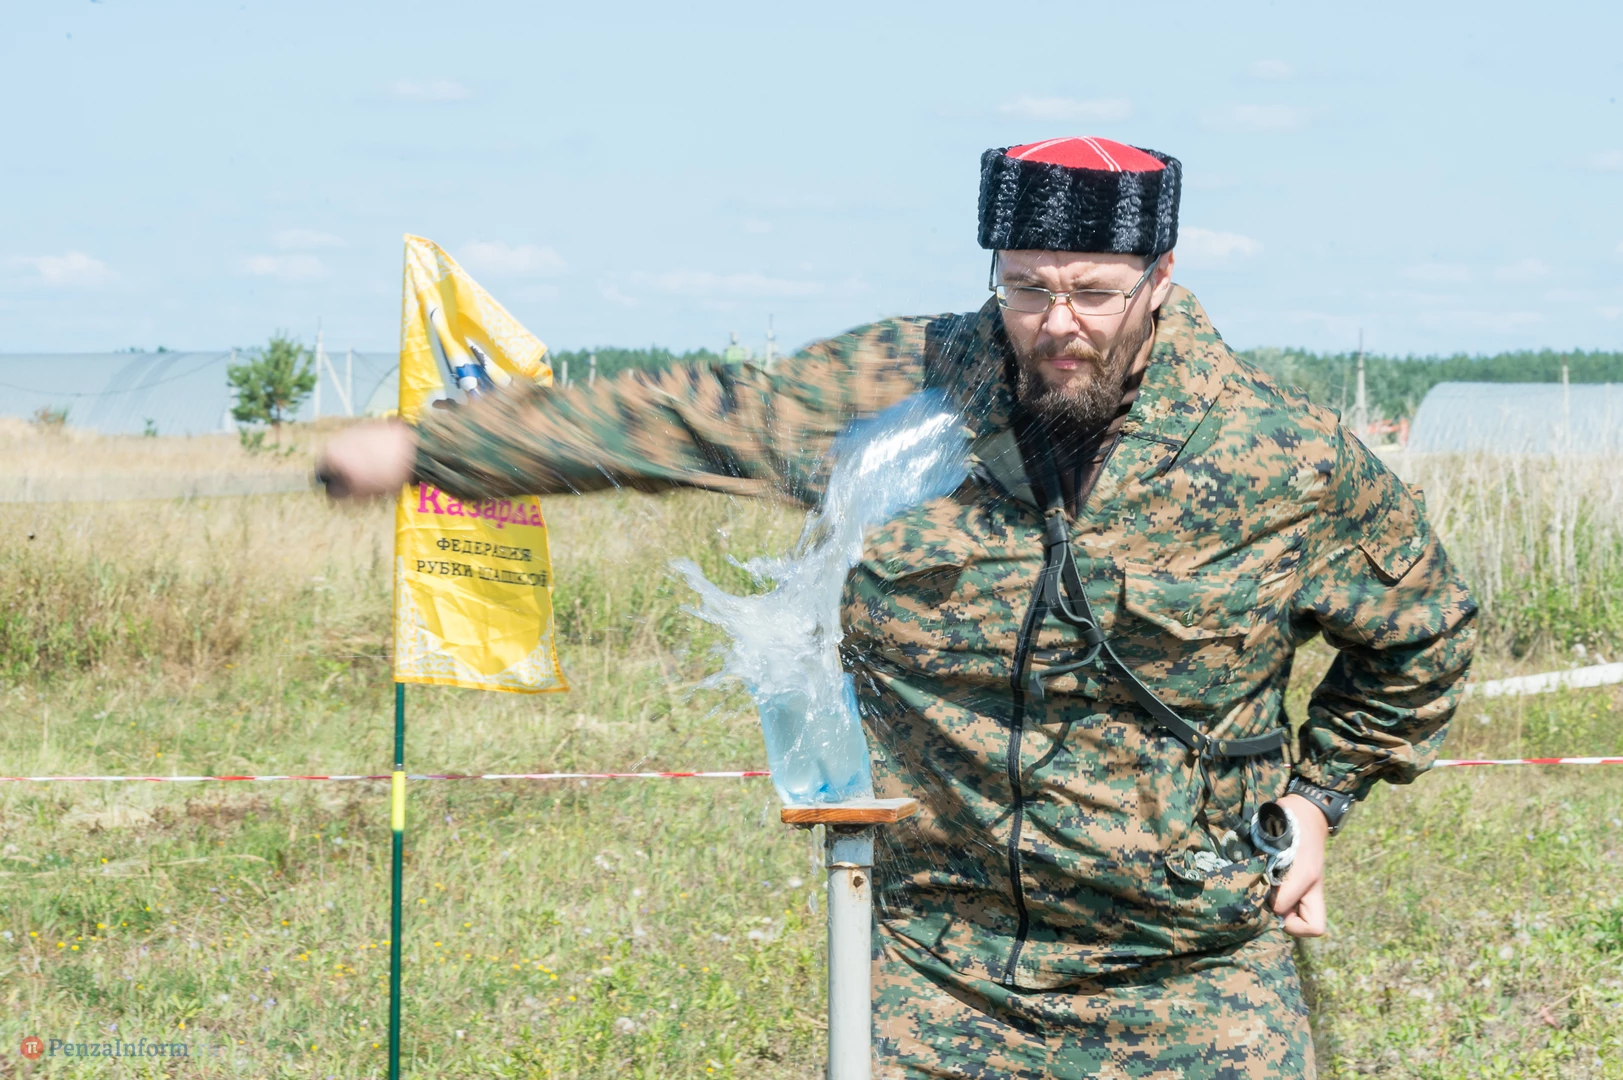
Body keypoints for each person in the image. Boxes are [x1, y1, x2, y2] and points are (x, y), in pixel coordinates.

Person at [319, 137, 1477, 1078]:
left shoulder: (1282, 456)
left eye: (1092, 293)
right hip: (936, 968)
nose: (1057, 323)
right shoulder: (901, 390)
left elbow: (1423, 634)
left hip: (1191, 972)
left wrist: (1319, 796)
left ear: (1159, 281)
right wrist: (434, 448)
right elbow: (699, 418)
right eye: (1025, 288)